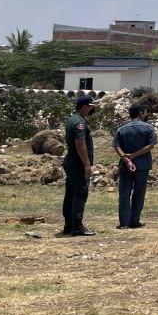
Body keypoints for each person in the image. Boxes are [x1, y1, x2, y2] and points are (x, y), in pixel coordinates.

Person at [113, 102, 157, 229]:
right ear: (140, 113)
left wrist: (126, 159)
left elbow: (116, 146)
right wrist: (134, 155)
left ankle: (124, 222)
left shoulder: (121, 129)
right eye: (144, 112)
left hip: (125, 166)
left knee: (124, 193)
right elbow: (151, 145)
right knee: (139, 192)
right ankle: (134, 220)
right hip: (142, 166)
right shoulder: (148, 128)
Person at [59, 95, 96, 237]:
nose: (92, 110)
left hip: (72, 162)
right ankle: (77, 227)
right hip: (77, 163)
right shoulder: (79, 122)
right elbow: (80, 144)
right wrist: (87, 165)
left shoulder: (73, 119)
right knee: (80, 193)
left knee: (70, 194)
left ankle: (69, 225)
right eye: (90, 107)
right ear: (85, 106)